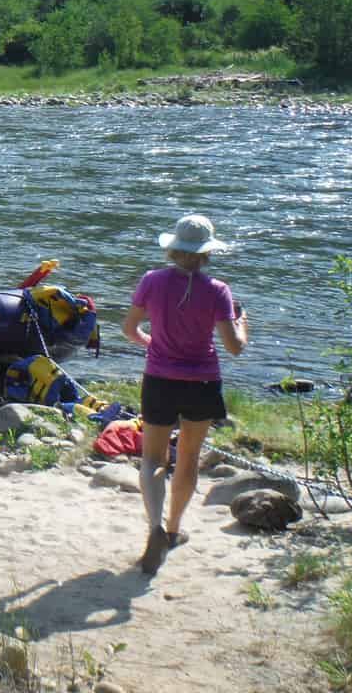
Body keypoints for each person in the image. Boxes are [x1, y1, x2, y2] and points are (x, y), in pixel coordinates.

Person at [122, 213, 248, 576]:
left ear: (174, 249)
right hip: (201, 383)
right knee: (189, 458)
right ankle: (174, 529)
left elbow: (130, 329)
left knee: (152, 459)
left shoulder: (151, 280)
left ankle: (154, 527)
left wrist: (152, 342)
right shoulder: (218, 290)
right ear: (206, 253)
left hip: (159, 379)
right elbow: (234, 347)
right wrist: (243, 325)